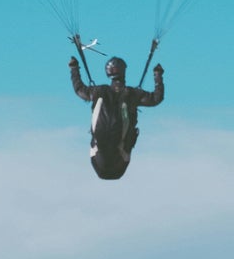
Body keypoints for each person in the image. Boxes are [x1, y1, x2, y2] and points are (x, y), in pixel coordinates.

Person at [69, 52, 165, 180]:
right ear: (124, 71)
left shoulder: (98, 91)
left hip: (99, 163)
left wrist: (74, 68)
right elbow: (156, 98)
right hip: (119, 164)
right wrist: (158, 76)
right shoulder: (132, 94)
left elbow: (79, 89)